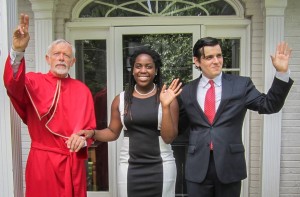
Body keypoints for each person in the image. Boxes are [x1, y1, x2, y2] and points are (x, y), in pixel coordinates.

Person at [178, 37, 294, 197]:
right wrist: (165, 106)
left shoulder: (241, 85)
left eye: (219, 56)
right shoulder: (187, 91)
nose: (216, 61)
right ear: (197, 61)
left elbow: (269, 105)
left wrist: (281, 73)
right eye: (209, 57)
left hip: (229, 164)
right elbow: (178, 128)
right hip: (197, 167)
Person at [67, 48, 182, 197]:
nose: (143, 70)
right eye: (138, 66)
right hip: (130, 168)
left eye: (149, 66)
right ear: (132, 70)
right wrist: (92, 133)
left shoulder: (167, 98)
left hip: (162, 166)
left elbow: (169, 138)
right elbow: (113, 132)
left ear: (156, 70)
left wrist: (165, 106)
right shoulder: (120, 100)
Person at [3, 14, 96, 197]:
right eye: (56, 54)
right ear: (48, 59)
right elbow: (12, 83)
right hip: (42, 163)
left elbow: (90, 130)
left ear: (72, 62)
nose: (61, 58)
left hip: (72, 164)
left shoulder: (83, 90)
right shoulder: (33, 82)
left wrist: (83, 139)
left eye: (66, 55)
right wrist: (17, 51)